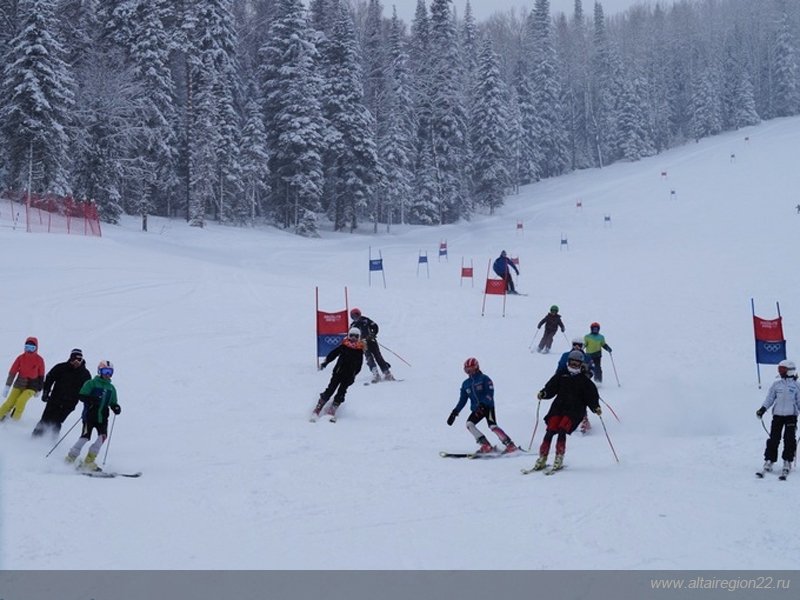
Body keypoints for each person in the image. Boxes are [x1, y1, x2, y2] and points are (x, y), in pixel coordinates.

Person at [531, 351, 601, 471]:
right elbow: (551, 387)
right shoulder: (561, 375)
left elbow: (591, 396)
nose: (574, 365)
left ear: (581, 365)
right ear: (568, 362)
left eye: (576, 364)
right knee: (550, 430)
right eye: (572, 363)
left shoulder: (584, 381)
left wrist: (595, 407)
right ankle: (542, 457)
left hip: (574, 410)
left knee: (562, 429)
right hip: (558, 408)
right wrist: (544, 393)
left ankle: (559, 457)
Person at [446, 357, 518, 454]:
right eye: (466, 370)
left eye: (470, 369)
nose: (469, 372)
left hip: (488, 407)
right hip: (477, 409)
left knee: (492, 426)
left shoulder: (484, 379)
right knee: (469, 424)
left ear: (476, 367)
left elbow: (490, 394)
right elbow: (462, 400)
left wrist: (484, 403)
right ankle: (485, 445)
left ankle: (510, 445)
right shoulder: (465, 384)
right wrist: (455, 412)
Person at [65, 360, 121, 472]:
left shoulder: (111, 388)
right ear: (99, 371)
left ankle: (89, 461)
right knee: (85, 437)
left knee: (102, 437)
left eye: (110, 372)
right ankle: (71, 457)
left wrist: (115, 407)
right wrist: (91, 399)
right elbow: (81, 395)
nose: (107, 374)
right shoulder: (91, 383)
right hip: (89, 415)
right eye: (105, 371)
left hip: (103, 417)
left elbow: (113, 402)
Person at [32, 348, 92, 438]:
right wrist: (46, 392)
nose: (76, 361)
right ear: (70, 358)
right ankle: (35, 437)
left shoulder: (85, 374)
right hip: (55, 399)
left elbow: (88, 389)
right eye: (73, 359)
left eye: (79, 359)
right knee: (46, 418)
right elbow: (49, 378)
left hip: (70, 403)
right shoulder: (61, 367)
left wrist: (87, 400)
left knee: (57, 421)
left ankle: (51, 440)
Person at [756, 360, 800, 477]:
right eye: (780, 370)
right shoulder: (776, 385)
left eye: (783, 370)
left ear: (789, 371)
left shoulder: (796, 386)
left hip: (791, 416)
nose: (780, 372)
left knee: (789, 439)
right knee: (774, 439)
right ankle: (769, 460)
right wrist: (763, 409)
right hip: (777, 416)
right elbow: (770, 399)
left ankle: (787, 461)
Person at [313, 327, 365, 420]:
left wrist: (353, 376)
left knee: (341, 392)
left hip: (348, 376)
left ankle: (332, 409)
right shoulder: (344, 346)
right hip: (338, 373)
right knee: (330, 389)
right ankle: (318, 407)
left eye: (356, 336)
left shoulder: (359, 350)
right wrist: (325, 362)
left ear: (359, 337)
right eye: (351, 336)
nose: (353, 338)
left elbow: (359, 366)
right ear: (348, 336)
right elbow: (333, 354)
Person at [0, 336, 46, 422]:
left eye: (32, 348)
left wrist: (40, 389)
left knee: (20, 402)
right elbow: (12, 372)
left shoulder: (39, 360)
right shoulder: (20, 358)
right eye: (27, 347)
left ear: (36, 348)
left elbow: (41, 375)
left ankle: (14, 421)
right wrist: (7, 386)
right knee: (9, 402)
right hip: (19, 383)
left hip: (32, 386)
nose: (29, 350)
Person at [349, 307, 394, 383]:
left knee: (378, 356)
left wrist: (373, 334)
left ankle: (387, 373)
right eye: (353, 316)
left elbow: (375, 326)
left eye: (357, 315)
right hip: (363, 343)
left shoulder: (366, 320)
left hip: (371, 341)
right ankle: (375, 374)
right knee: (369, 358)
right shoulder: (353, 325)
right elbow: (351, 336)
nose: (356, 317)